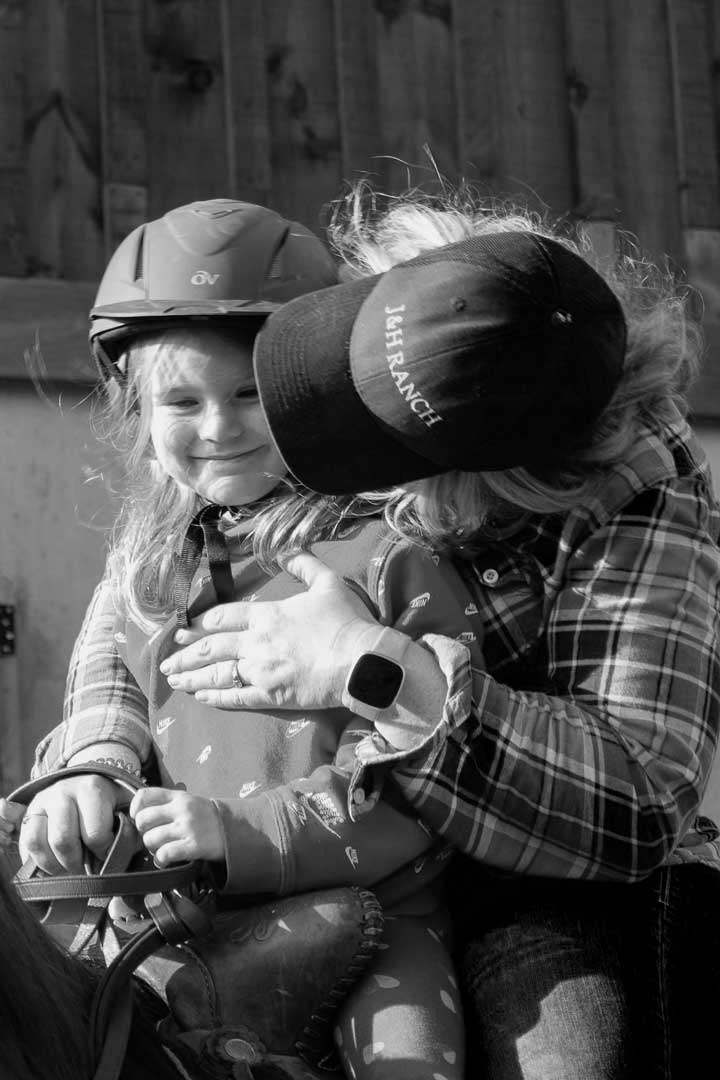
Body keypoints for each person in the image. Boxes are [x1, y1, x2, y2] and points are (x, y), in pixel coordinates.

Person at [88, 189, 720, 1079]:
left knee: (569, 1055)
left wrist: (368, 667)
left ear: (494, 484)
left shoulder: (629, 473)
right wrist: (96, 754)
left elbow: (638, 796)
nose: (303, 442)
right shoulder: (358, 311)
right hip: (302, 844)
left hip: (537, 867)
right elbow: (140, 586)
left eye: (367, 445)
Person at [6, 196, 475, 1080]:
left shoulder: (394, 557)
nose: (218, 427)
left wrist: (238, 832)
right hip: (179, 926)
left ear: (317, 392)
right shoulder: (151, 569)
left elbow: (424, 777)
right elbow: (110, 705)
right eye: (181, 399)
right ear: (137, 413)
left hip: (374, 926)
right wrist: (79, 786)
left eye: (251, 394)